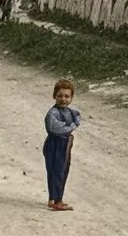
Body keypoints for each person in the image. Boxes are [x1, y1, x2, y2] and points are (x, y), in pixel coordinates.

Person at [44, 79, 82, 212]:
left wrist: (73, 123)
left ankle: (56, 198)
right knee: (55, 171)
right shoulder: (53, 113)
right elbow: (57, 128)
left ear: (71, 97)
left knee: (63, 170)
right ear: (54, 96)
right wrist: (72, 126)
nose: (63, 99)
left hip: (65, 145)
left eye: (67, 96)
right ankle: (55, 199)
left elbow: (77, 116)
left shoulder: (69, 112)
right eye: (60, 96)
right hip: (55, 144)